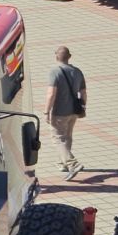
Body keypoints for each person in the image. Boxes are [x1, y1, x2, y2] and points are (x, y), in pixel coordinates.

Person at [43, 46, 87, 178]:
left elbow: (51, 94)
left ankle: (72, 164)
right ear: (70, 56)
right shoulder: (77, 72)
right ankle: (62, 163)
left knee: (58, 138)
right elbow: (83, 93)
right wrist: (83, 107)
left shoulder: (55, 72)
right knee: (67, 137)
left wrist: (46, 111)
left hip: (60, 112)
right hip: (74, 111)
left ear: (56, 56)